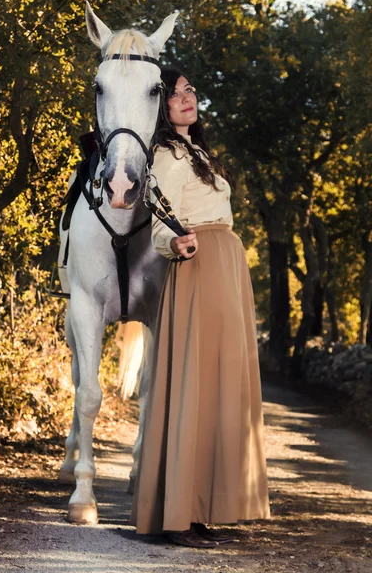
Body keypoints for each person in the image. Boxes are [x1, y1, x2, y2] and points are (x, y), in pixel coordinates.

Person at [131, 66, 270, 548]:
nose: (186, 97)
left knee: (216, 386)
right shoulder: (167, 153)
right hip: (201, 268)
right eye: (175, 93)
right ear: (163, 108)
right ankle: (175, 516)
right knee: (194, 386)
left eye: (189, 89)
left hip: (225, 268)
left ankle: (197, 507)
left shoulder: (196, 151)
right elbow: (159, 221)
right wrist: (177, 245)